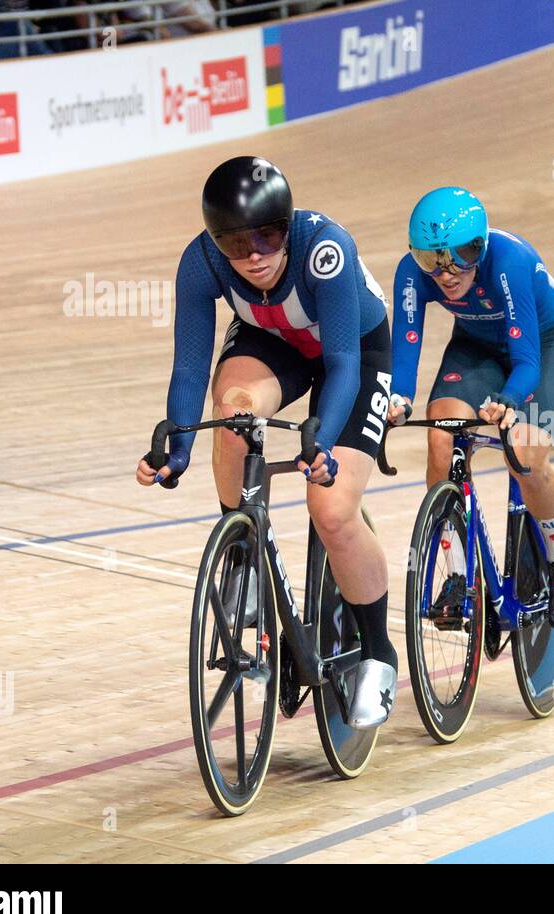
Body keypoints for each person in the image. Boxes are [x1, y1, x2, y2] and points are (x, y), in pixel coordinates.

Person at [136, 157, 398, 728]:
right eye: (235, 242)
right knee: (231, 415)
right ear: (214, 240)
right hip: (272, 340)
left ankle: (379, 650)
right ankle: (245, 558)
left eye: (268, 236)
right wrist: (177, 447)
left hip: (353, 350)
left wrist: (321, 442)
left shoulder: (324, 249)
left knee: (330, 510)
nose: (253, 255)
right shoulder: (200, 261)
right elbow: (189, 368)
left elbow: (343, 364)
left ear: (288, 224)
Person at [388, 187, 554, 629]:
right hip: (477, 347)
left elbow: (528, 362)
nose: (446, 272)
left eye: (460, 254)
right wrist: (399, 398)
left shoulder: (509, 261)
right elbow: (406, 344)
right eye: (430, 259)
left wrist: (510, 401)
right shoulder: (411, 274)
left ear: (480, 244)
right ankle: (458, 572)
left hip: (547, 344)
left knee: (524, 453)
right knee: (441, 436)